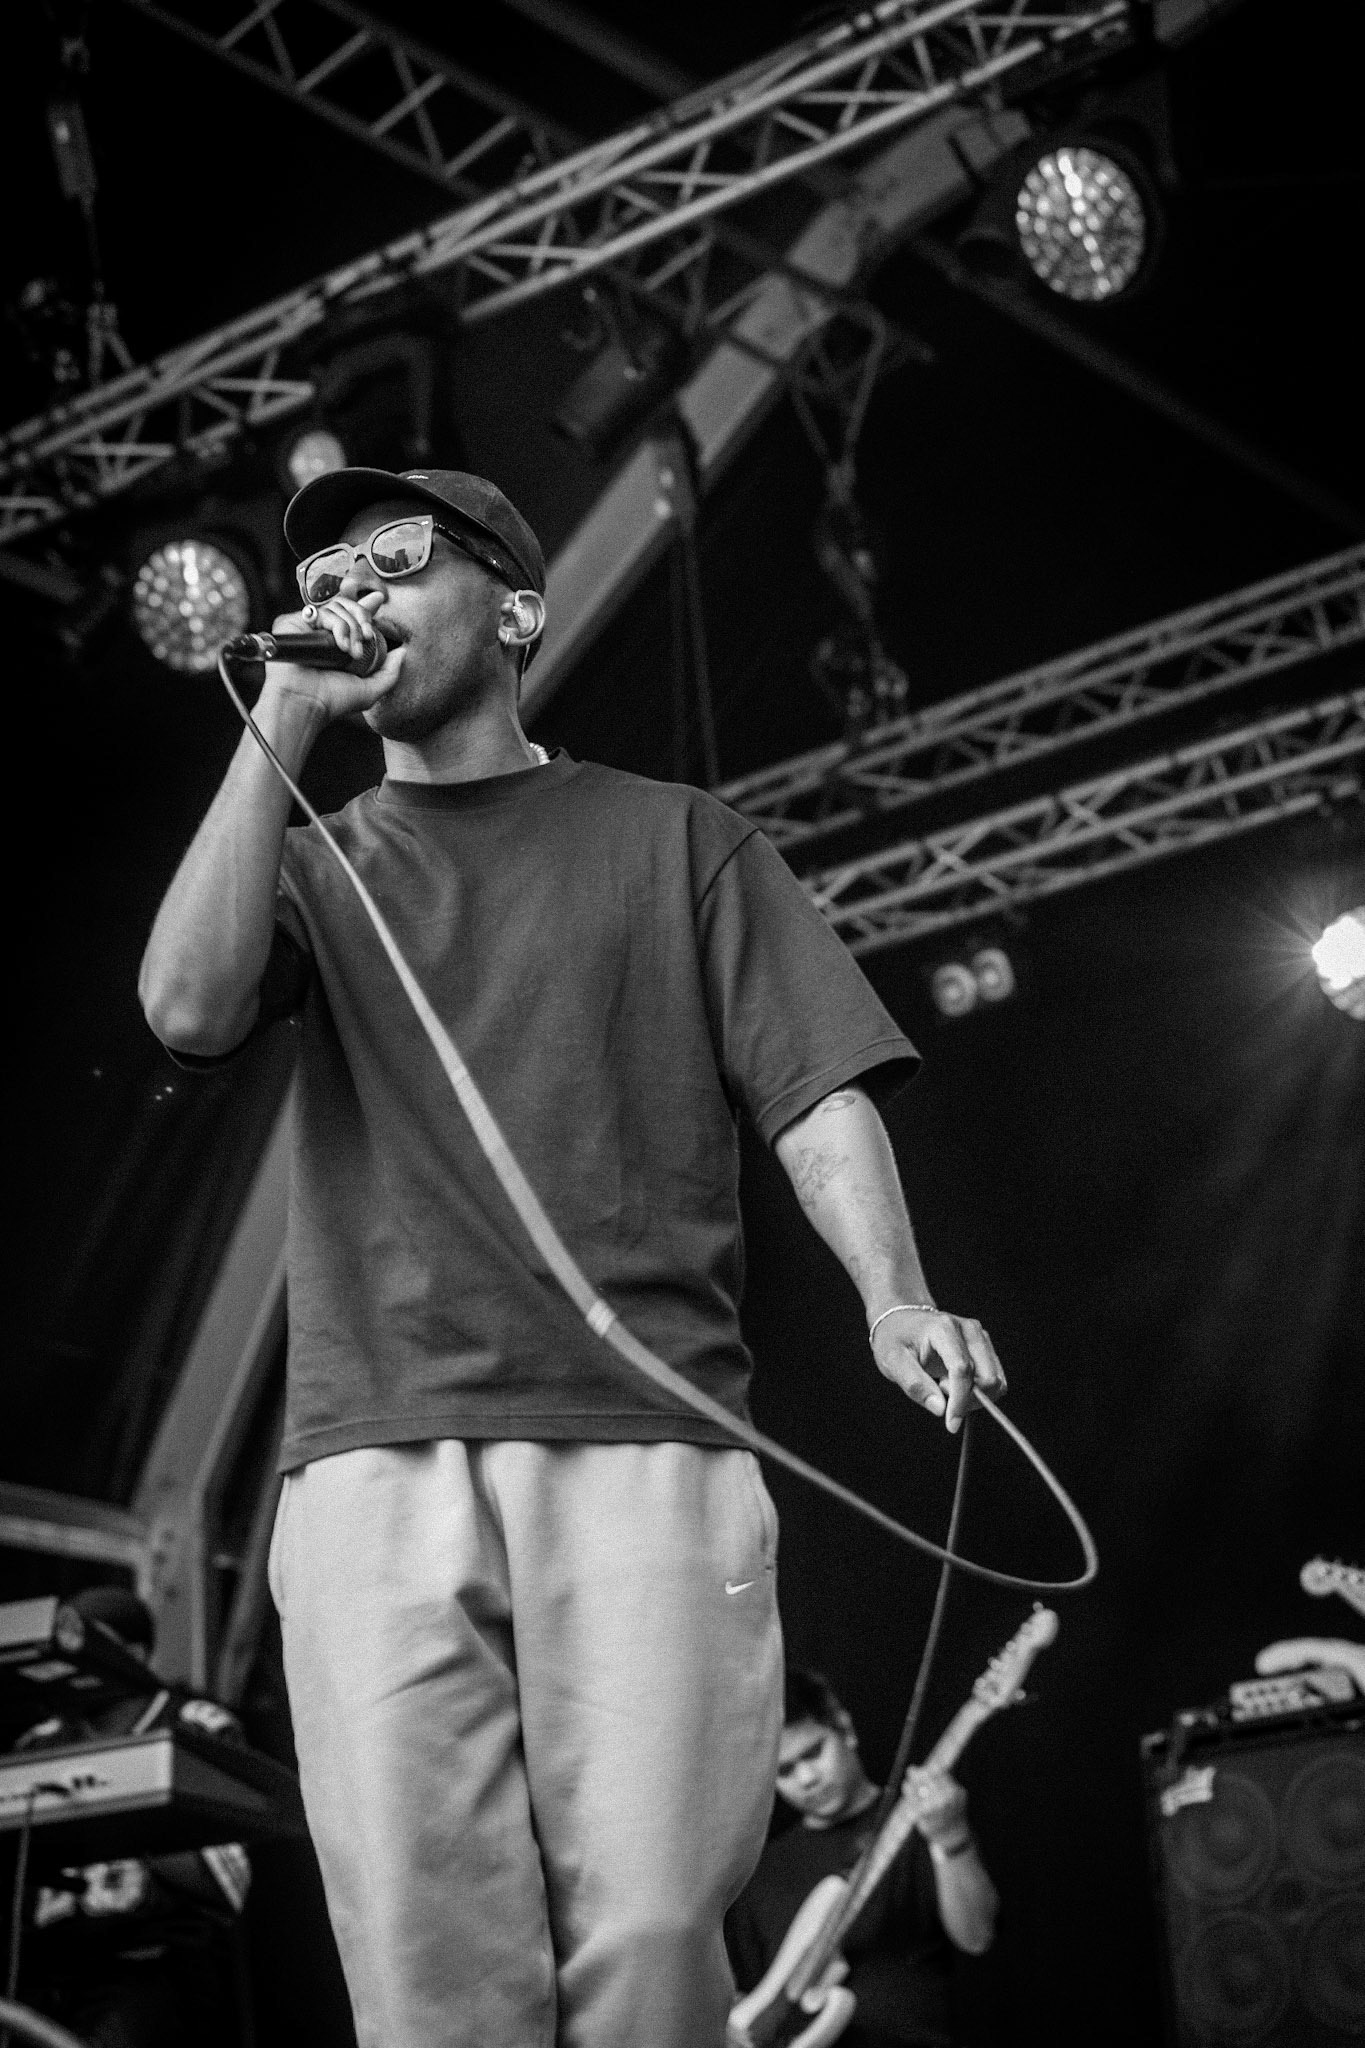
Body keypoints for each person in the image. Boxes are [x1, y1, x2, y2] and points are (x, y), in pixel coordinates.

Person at [138, 464, 1009, 2048]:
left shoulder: (678, 839)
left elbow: (813, 1094)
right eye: (330, 561)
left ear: (517, 607)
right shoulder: (320, 862)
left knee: (653, 1941)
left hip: (648, 1441)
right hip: (373, 1458)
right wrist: (282, 717)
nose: (355, 584)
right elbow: (188, 1010)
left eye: (396, 555)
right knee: (422, 1959)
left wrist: (894, 1294)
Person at [14, 1587, 251, 2048]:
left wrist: (113, 1818)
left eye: (90, 1642)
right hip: (46, 1970)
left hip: (147, 1963)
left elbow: (226, 1880)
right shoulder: (39, 1743)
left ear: (134, 1654)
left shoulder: (192, 1725)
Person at [726, 1667, 998, 2048]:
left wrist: (950, 1836)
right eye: (784, 1771)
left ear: (844, 1728)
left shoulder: (924, 1822)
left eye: (814, 1752)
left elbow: (977, 1937)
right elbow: (745, 2005)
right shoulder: (760, 1873)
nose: (806, 1779)